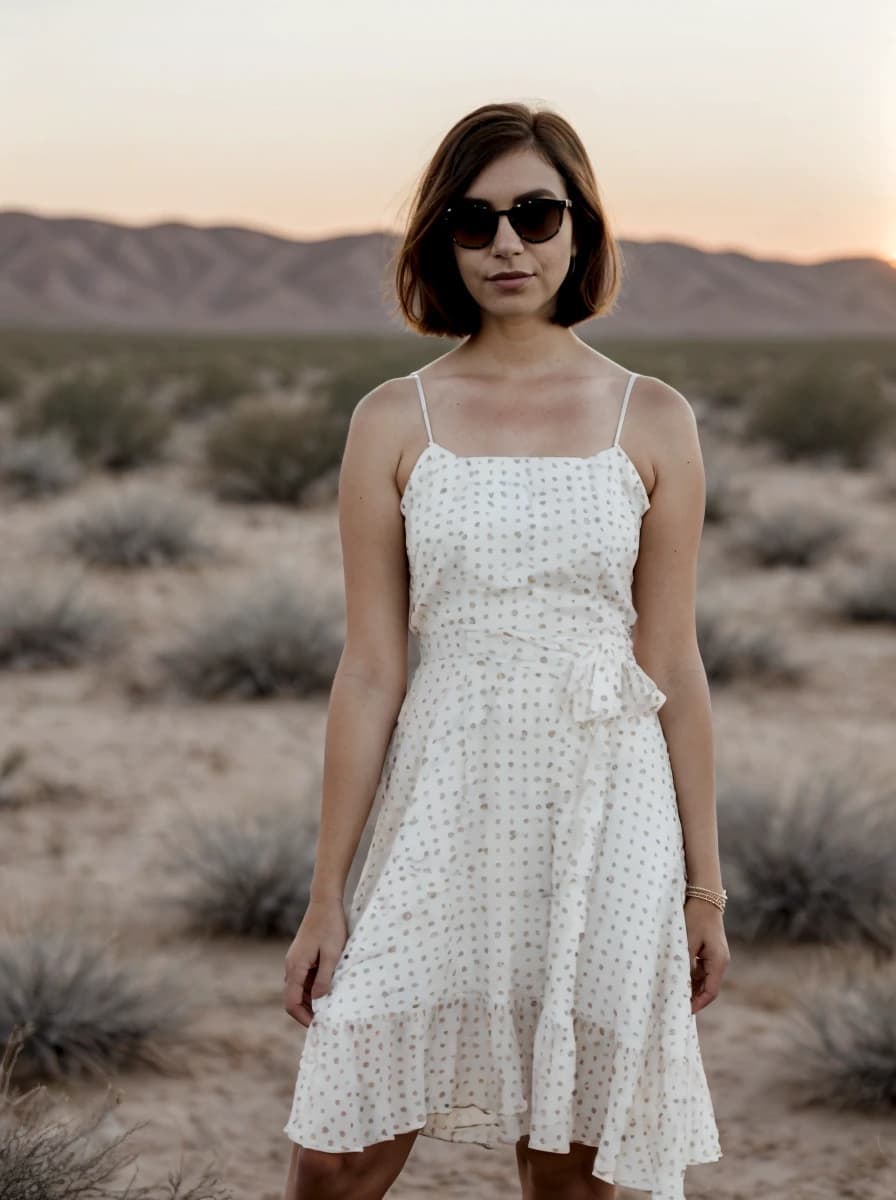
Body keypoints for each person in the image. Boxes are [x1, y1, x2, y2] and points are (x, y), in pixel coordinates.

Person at [281, 100, 729, 1200]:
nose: (506, 246)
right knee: (337, 1156)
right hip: (443, 798)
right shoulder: (394, 418)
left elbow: (669, 657)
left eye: (534, 214)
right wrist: (326, 891)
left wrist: (704, 889)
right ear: (441, 241)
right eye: (473, 222)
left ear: (579, 228)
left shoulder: (651, 416)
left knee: (571, 1170)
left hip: (602, 806)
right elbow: (371, 668)